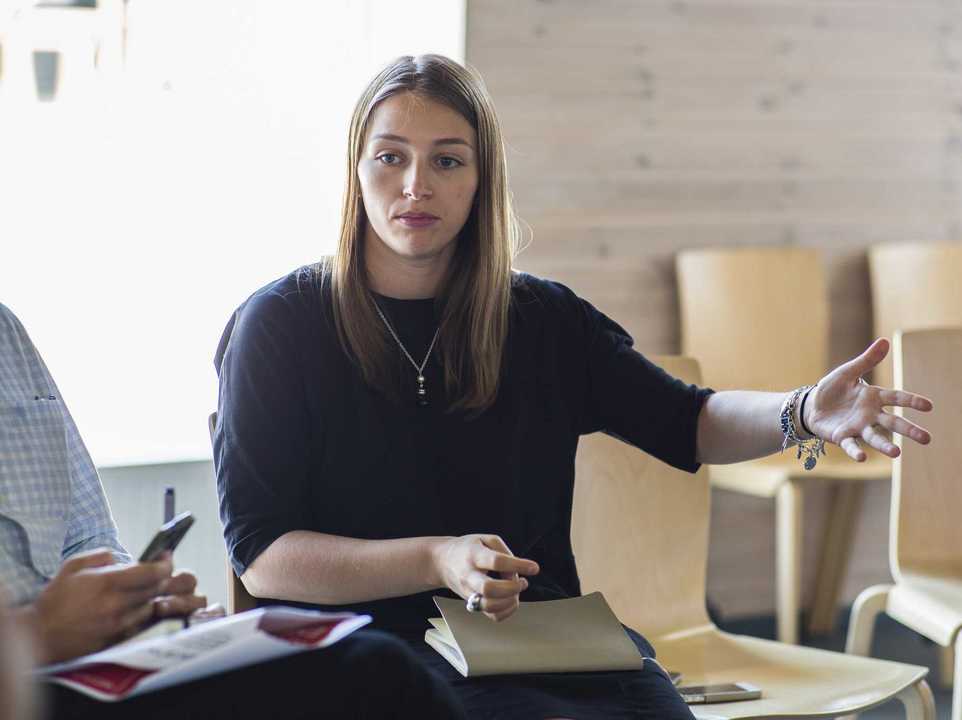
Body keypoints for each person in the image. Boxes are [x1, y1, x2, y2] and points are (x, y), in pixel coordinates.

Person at [212, 54, 934, 719]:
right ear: (355, 171)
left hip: (539, 638)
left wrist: (802, 411)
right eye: (391, 157)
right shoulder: (280, 325)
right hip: (364, 649)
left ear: (482, 179)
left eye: (448, 160)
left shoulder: (540, 318)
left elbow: (688, 420)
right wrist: (437, 557)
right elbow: (265, 558)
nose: (416, 185)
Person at [0, 304, 465, 720]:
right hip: (28, 686)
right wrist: (37, 633)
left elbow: (89, 538)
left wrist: (133, 609)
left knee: (369, 667)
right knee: (375, 679)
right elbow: (262, 556)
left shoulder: (8, 333)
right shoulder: (278, 321)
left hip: (97, 667)